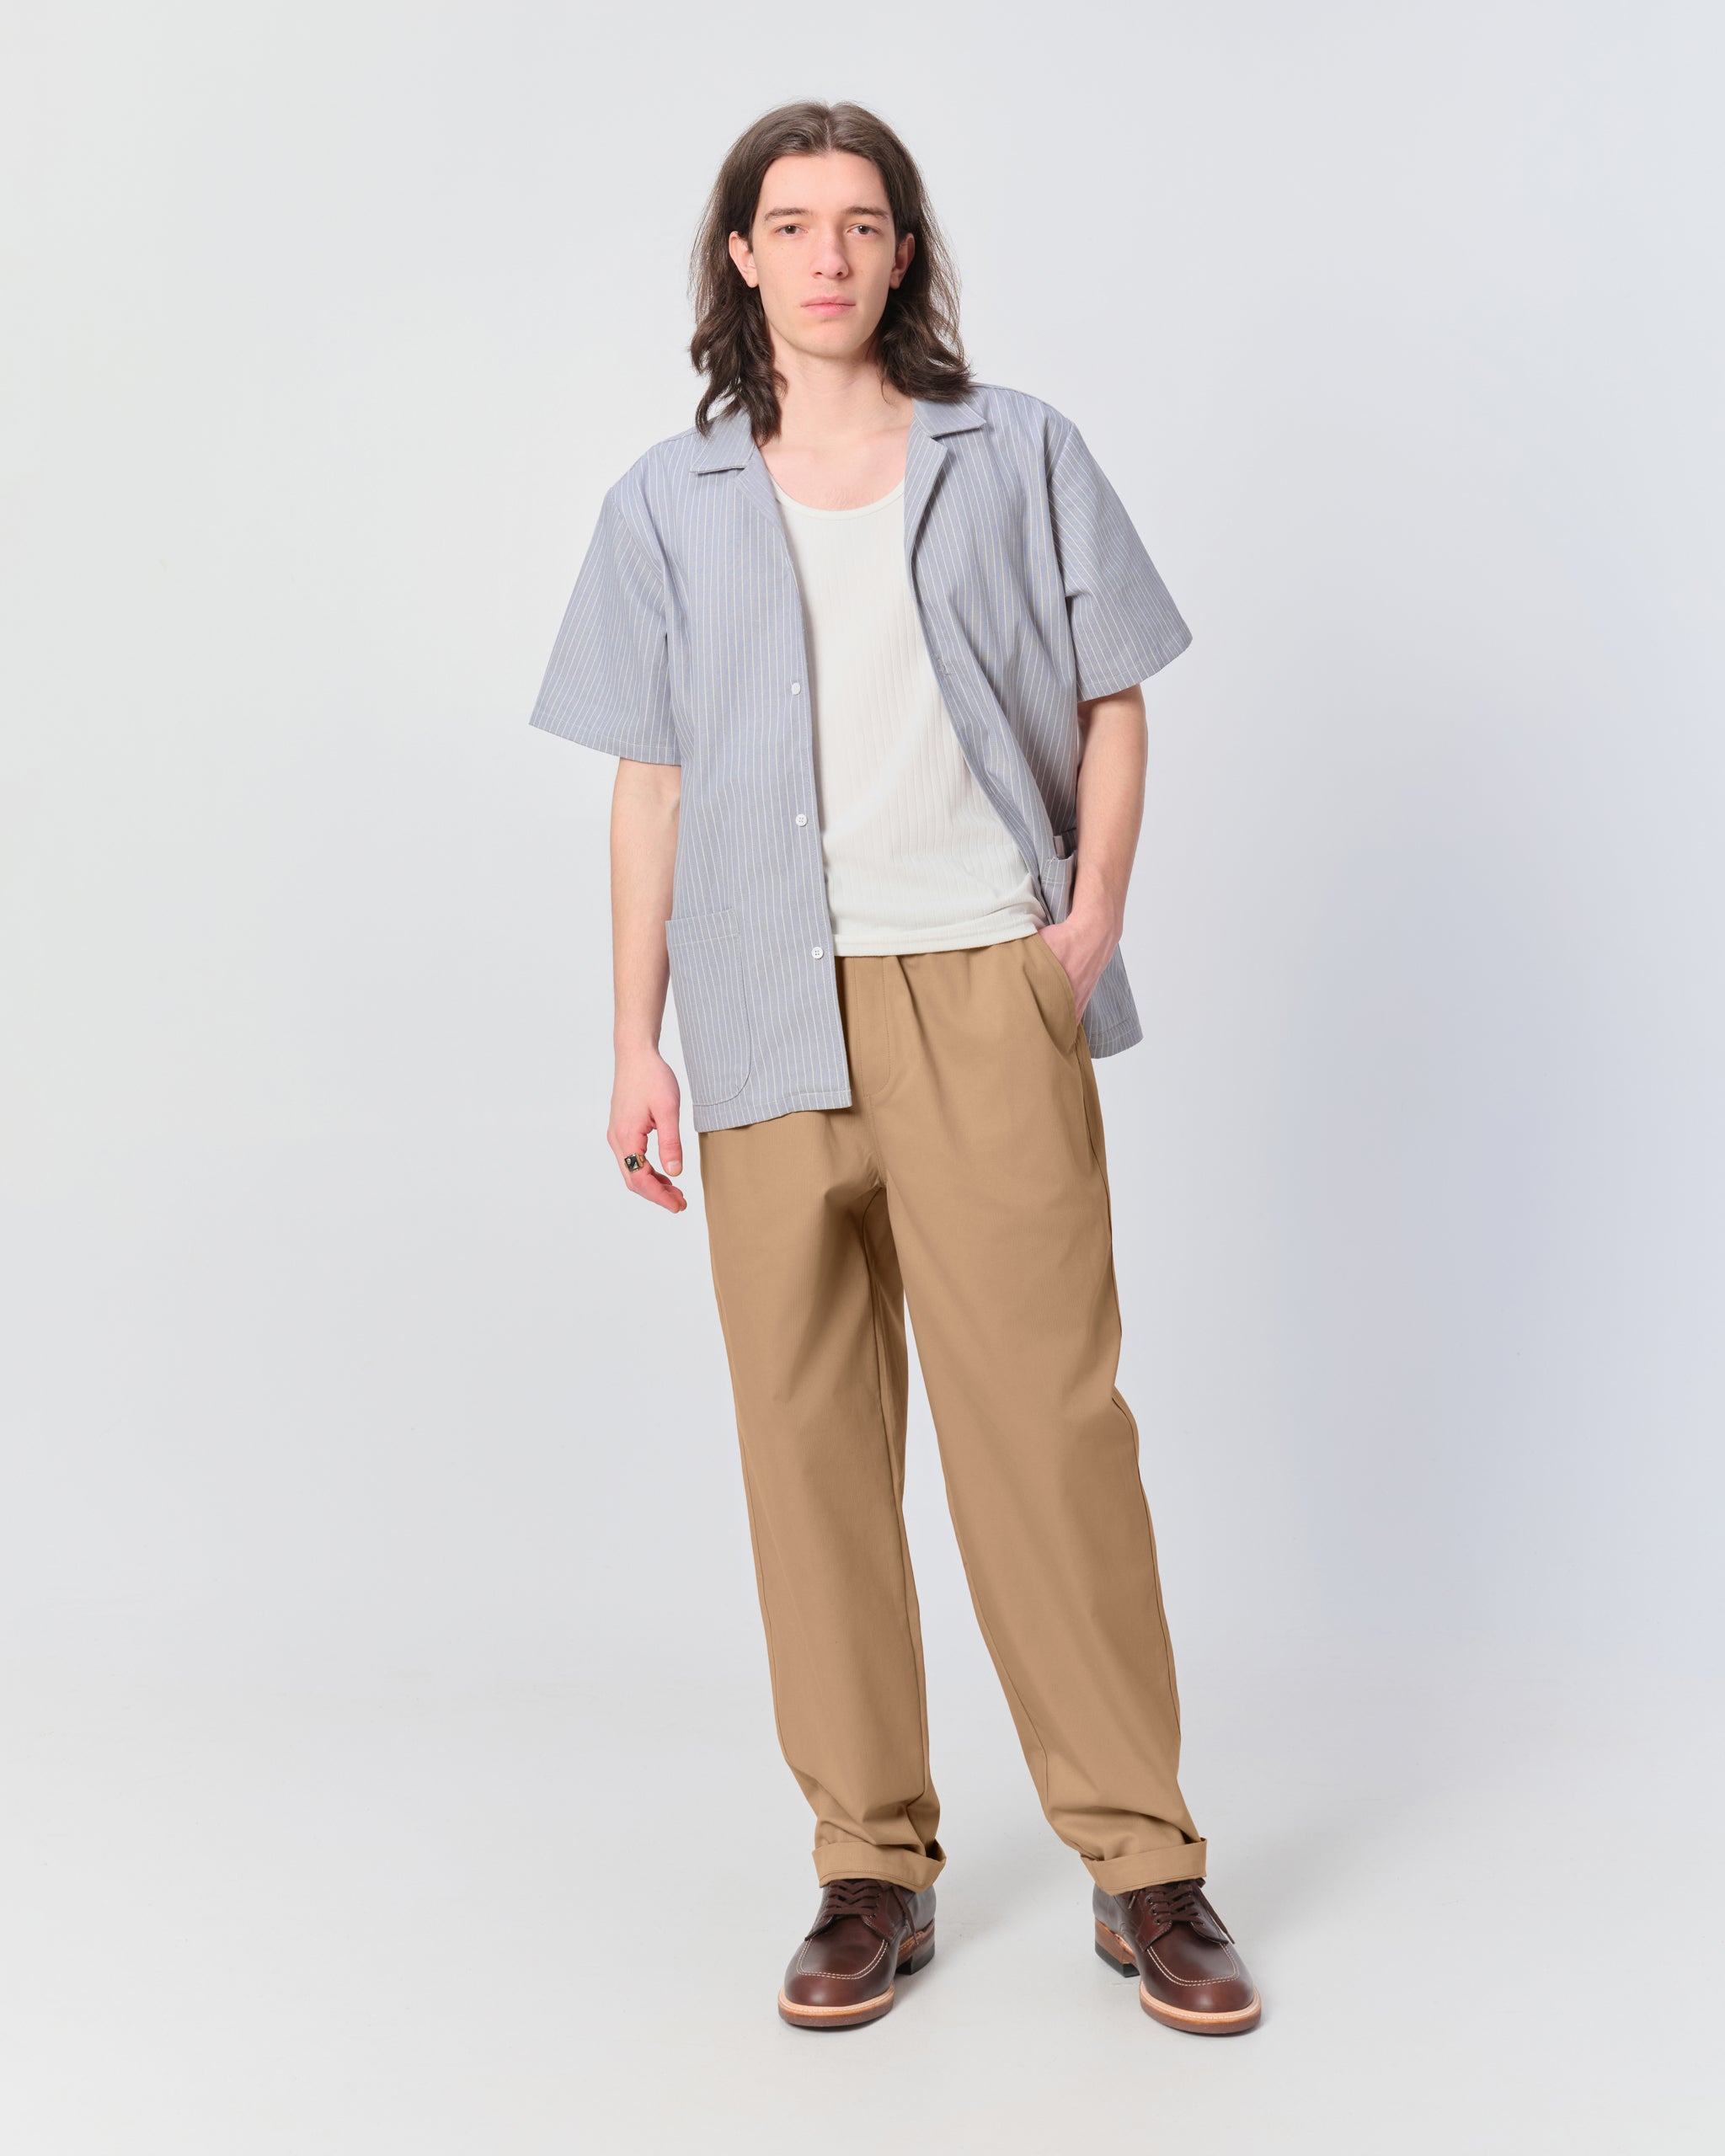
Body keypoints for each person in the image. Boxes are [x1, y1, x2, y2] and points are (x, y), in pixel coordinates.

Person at [527, 99, 1261, 2037]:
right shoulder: (665, 503)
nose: (828, 254)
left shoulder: (1017, 451)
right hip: (761, 1003)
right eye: (791, 223)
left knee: (1048, 1432)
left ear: (903, 253)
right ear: (742, 257)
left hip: (980, 987)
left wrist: (1084, 925)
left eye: (861, 222)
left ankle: (1144, 1858)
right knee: (808, 1451)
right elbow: (649, 783)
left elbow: (1112, 698)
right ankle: (869, 1863)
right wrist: (631, 1040)